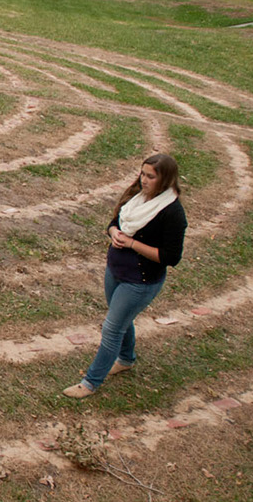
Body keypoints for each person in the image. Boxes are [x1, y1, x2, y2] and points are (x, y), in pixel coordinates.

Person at [63, 153, 188, 399]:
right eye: (143, 174)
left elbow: (170, 257)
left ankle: (90, 382)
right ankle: (127, 359)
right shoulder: (136, 198)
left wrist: (131, 244)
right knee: (120, 319)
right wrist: (113, 233)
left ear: (165, 180)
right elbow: (113, 222)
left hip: (140, 280)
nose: (144, 180)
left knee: (112, 328)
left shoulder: (172, 213)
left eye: (151, 177)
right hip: (116, 271)